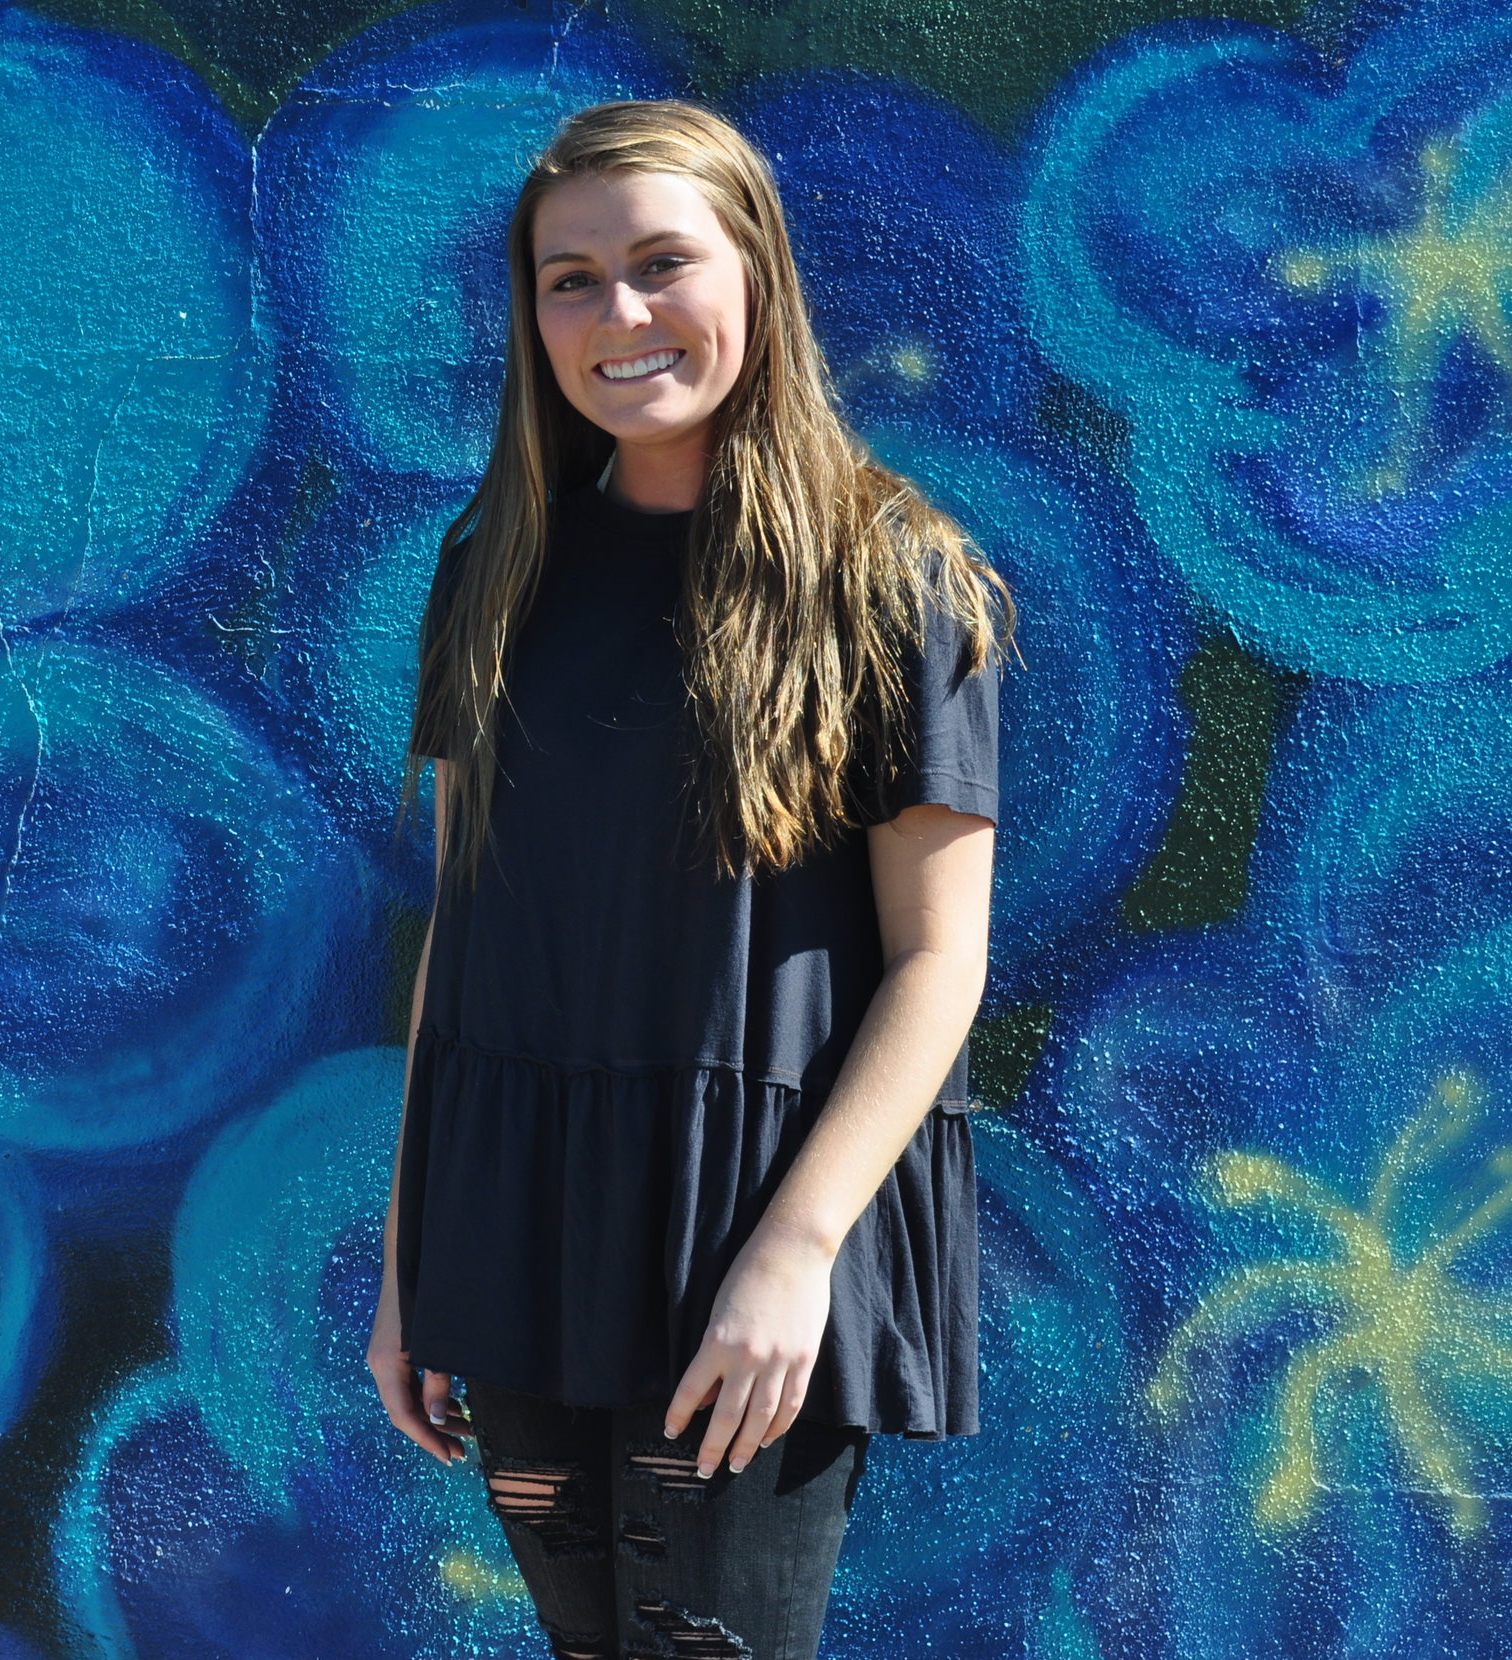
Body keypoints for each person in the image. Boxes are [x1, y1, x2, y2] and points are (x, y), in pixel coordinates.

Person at [366, 99, 1012, 1660]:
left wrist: (793, 1257)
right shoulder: (494, 565)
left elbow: (940, 962)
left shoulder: (892, 574)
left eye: (663, 262)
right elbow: (467, 928)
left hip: (749, 1225)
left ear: (757, 275)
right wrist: (410, 1269)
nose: (620, 314)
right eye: (569, 279)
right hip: (519, 1224)